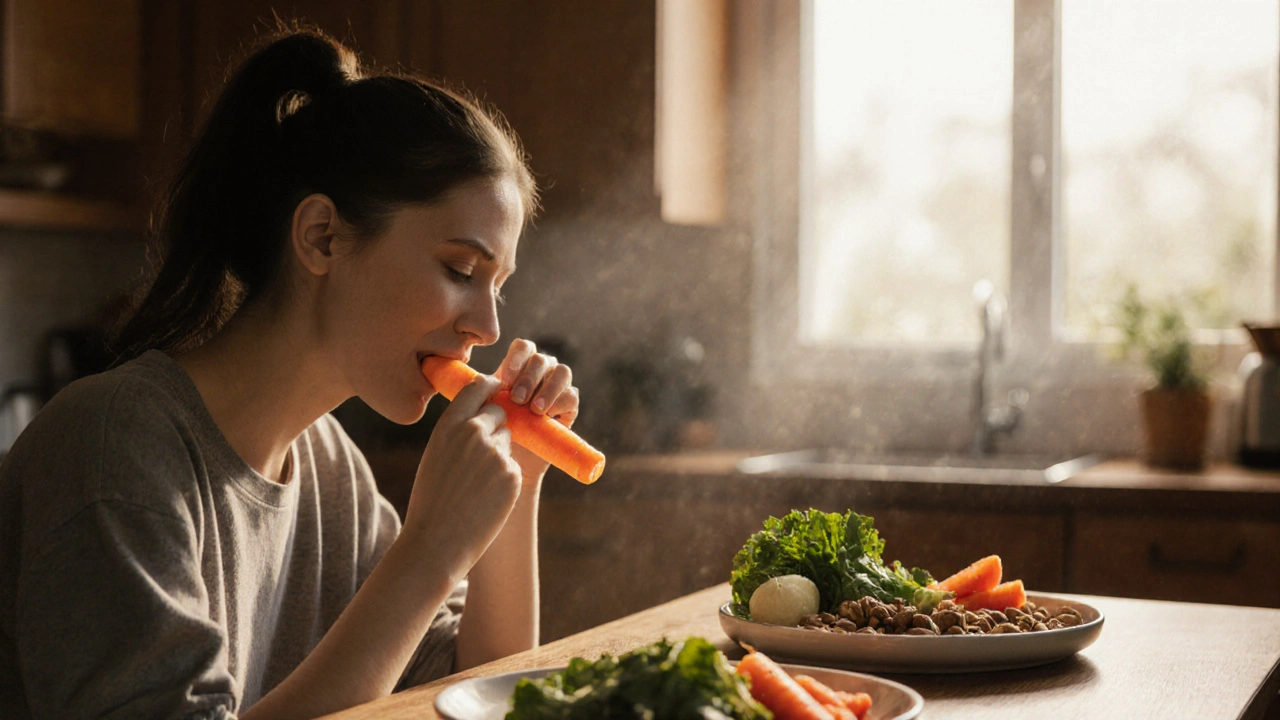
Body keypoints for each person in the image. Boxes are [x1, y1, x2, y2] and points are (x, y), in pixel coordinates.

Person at [0, 26, 576, 720]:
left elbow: (473, 689)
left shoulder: (330, 469)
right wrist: (427, 552)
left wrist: (517, 484)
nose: (487, 327)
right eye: (460, 270)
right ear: (320, 236)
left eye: (497, 286)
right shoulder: (113, 446)